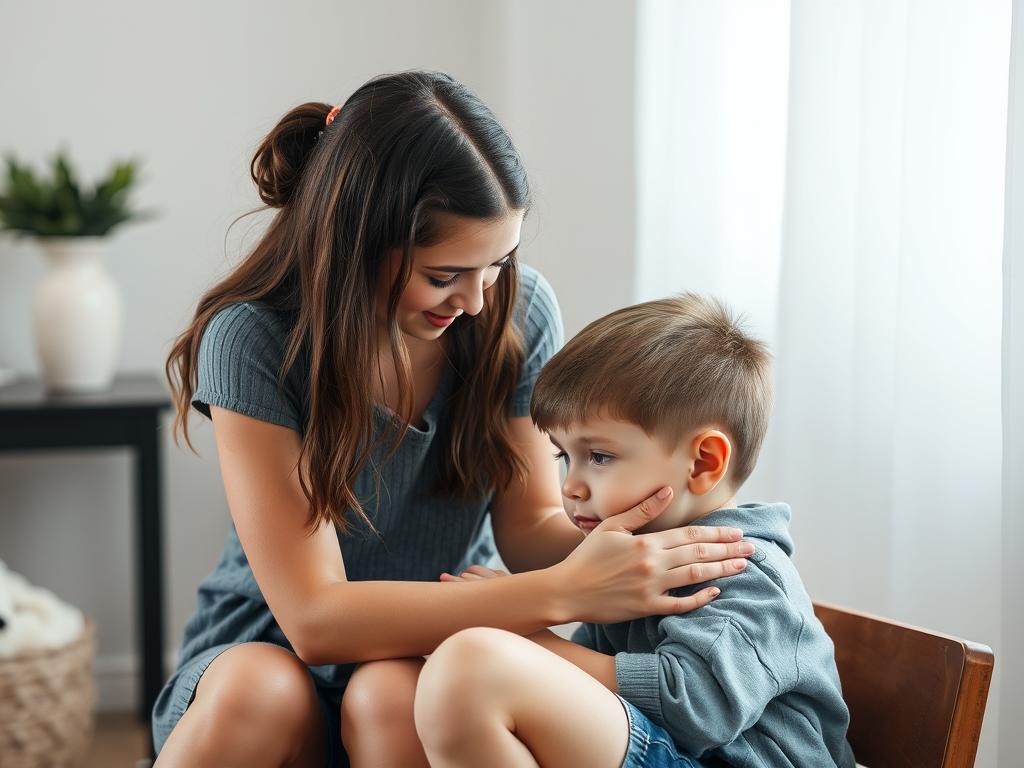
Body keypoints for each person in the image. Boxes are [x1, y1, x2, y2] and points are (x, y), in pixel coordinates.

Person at [153, 72, 753, 768]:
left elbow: (528, 529)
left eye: (496, 265)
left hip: (431, 643)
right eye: (444, 275)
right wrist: (564, 591)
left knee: (393, 694)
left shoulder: (514, 313)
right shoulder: (252, 340)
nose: (473, 299)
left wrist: (644, 535)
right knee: (262, 690)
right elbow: (314, 619)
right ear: (355, 245)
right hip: (268, 646)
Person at [420, 293, 856, 768]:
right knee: (387, 686)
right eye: (564, 456)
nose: (572, 487)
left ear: (704, 462)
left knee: (477, 664)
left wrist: (529, 638)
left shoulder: (742, 571)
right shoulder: (631, 560)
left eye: (600, 457)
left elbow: (697, 709)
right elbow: (582, 680)